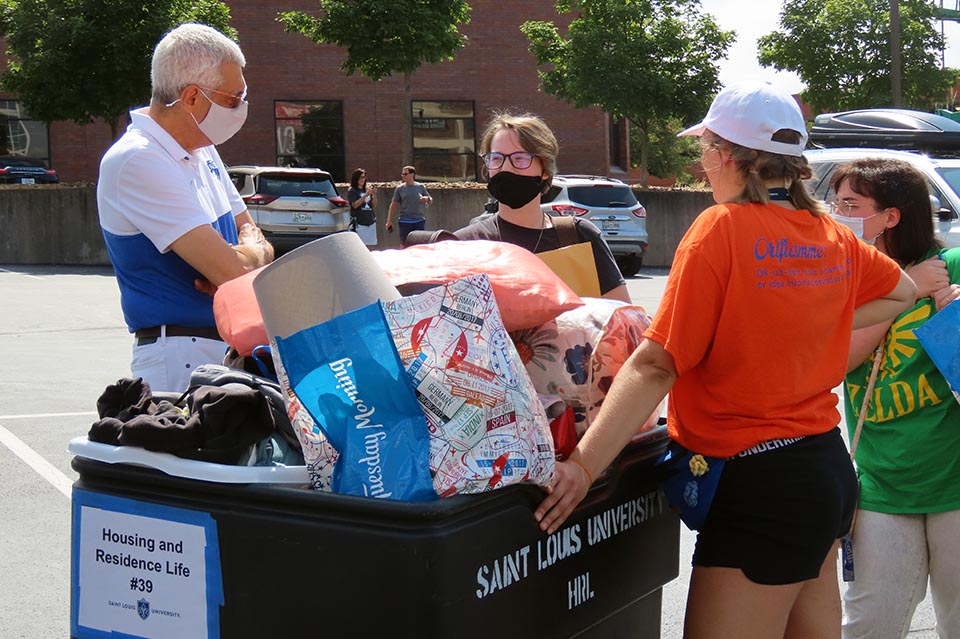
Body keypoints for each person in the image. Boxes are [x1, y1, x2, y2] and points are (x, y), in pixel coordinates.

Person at [534, 82, 917, 639]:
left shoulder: (722, 228)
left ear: (726, 155)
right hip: (822, 470)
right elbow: (902, 291)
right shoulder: (830, 232)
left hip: (758, 481)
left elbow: (654, 365)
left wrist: (583, 466)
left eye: (704, 151)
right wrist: (809, 318)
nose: (701, 167)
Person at [97, 23, 274, 393]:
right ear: (193, 97)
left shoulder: (202, 149)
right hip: (180, 356)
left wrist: (246, 256)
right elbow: (234, 270)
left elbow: (253, 246)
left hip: (221, 346)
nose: (241, 108)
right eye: (233, 98)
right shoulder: (138, 160)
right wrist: (243, 259)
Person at [831, 159, 960, 639]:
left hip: (954, 483)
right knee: (869, 624)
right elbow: (835, 361)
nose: (835, 214)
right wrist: (904, 296)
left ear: (891, 216)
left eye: (850, 205)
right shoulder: (844, 277)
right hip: (880, 483)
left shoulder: (950, 267)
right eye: (835, 202)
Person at [454, 112, 631, 303]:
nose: (505, 168)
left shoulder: (578, 237)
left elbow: (621, 317)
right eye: (496, 158)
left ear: (545, 170)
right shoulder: (466, 243)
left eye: (520, 158)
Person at [386, 165, 432, 243]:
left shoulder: (420, 187)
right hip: (405, 221)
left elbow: (430, 200)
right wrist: (389, 220)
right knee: (404, 244)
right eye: (402, 174)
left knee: (419, 244)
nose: (403, 176)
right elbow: (394, 204)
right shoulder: (400, 189)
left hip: (419, 220)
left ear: (412, 174)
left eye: (405, 174)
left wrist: (426, 199)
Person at [347, 168, 378, 246]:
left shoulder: (366, 190)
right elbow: (355, 205)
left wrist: (374, 194)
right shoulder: (352, 191)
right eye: (360, 177)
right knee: (360, 245)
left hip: (370, 221)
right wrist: (366, 195)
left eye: (364, 177)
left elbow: (374, 205)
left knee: (371, 245)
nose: (362, 179)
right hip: (359, 223)